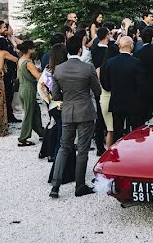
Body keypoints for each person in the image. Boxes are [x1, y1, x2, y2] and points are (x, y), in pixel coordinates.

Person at [49, 34, 102, 199]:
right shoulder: (88, 68)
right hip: (85, 110)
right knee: (83, 149)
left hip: (67, 111)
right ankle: (79, 186)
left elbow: (56, 95)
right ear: (80, 50)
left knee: (64, 147)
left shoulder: (58, 69)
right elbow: (97, 91)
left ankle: (55, 186)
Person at [102, 36, 144, 141]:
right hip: (133, 102)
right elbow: (140, 84)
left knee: (117, 131)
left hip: (116, 100)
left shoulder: (110, 62)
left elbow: (106, 84)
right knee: (134, 131)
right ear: (131, 46)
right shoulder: (136, 62)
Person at [39, 42, 68, 162]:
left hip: (51, 103)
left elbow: (41, 87)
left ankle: (48, 151)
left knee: (52, 127)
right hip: (62, 103)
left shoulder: (47, 70)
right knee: (61, 132)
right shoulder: (63, 70)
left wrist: (48, 100)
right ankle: (57, 154)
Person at [0, 20, 20, 123]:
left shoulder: (3, 39)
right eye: (3, 27)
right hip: (5, 71)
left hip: (10, 70)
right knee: (7, 93)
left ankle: (9, 114)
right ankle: (8, 116)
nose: (5, 29)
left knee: (9, 92)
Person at [16, 40, 45, 146]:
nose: (34, 50)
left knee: (35, 111)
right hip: (29, 89)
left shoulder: (21, 60)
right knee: (29, 113)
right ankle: (23, 138)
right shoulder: (28, 62)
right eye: (33, 48)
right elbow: (38, 77)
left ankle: (41, 132)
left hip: (22, 88)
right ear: (29, 49)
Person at [97, 41, 120, 150]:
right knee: (113, 130)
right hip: (114, 98)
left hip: (104, 98)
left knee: (110, 129)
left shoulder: (100, 69)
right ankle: (110, 153)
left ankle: (107, 152)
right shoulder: (115, 67)